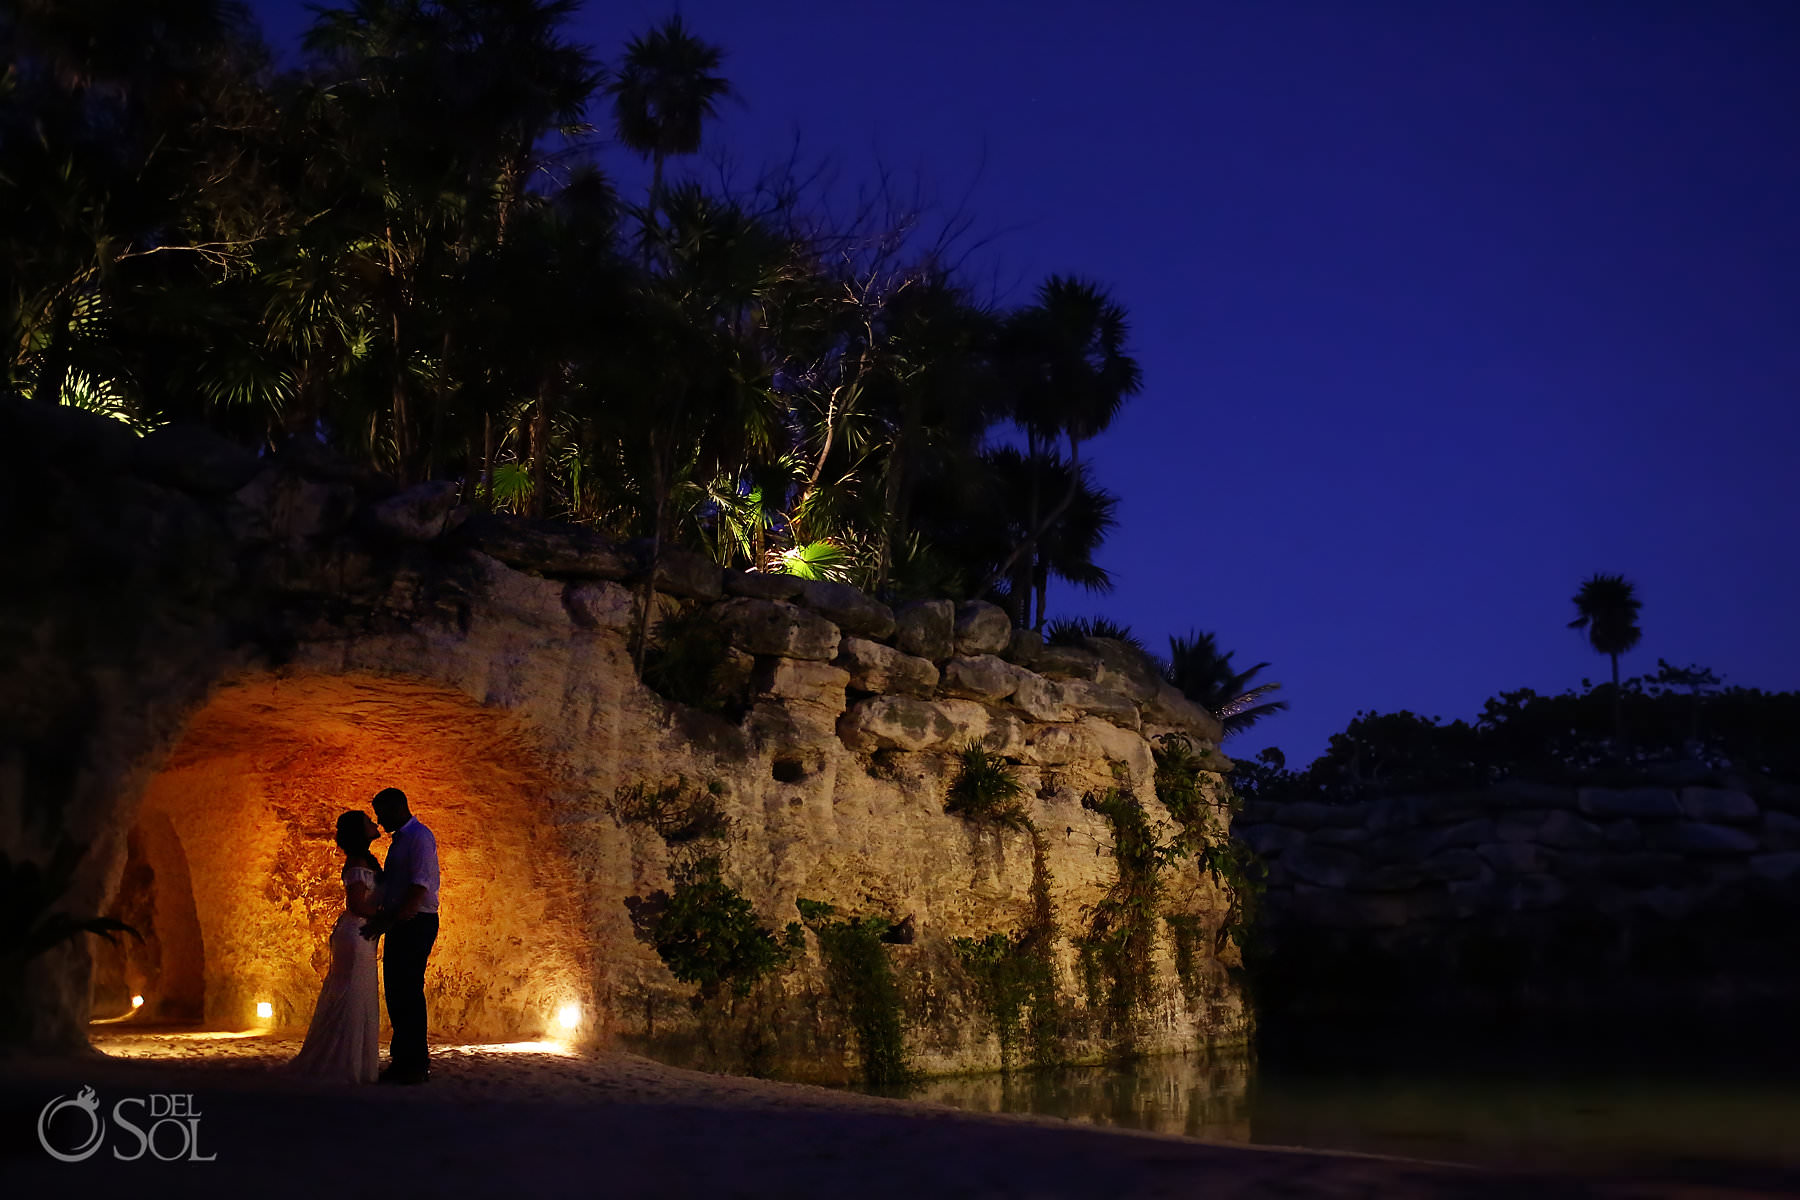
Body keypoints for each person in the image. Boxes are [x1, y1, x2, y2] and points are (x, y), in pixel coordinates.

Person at [288, 811, 383, 1083]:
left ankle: (355, 1063)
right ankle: (345, 1064)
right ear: (359, 831)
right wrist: (385, 916)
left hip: (362, 935)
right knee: (351, 995)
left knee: (359, 994)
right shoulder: (356, 863)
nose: (374, 824)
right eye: (368, 822)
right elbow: (356, 904)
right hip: (355, 935)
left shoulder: (364, 860)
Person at [360, 787, 439, 1084]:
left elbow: (419, 887)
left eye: (381, 813)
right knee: (399, 991)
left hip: (414, 922)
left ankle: (413, 1063)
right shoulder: (404, 840)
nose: (379, 821)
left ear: (396, 808)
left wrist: (388, 921)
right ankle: (407, 1059)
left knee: (406, 992)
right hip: (405, 921)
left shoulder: (418, 838)